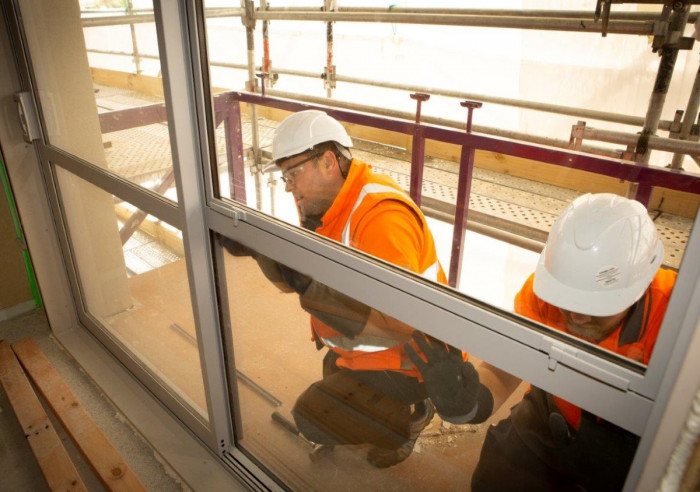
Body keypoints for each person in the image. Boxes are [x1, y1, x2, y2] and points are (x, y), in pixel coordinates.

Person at [223, 109, 472, 468]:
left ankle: (412, 415)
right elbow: (298, 287)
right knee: (334, 381)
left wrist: (309, 286)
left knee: (312, 416)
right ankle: (376, 406)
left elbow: (397, 323)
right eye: (284, 177)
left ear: (327, 161)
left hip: (417, 361)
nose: (289, 186)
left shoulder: (380, 217)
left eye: (293, 173)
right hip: (369, 346)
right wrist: (262, 253)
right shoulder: (325, 206)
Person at [405, 192, 676, 490]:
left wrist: (639, 461)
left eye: (594, 306)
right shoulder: (543, 296)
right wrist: (470, 402)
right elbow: (510, 365)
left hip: (636, 441)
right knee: (495, 479)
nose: (576, 316)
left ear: (640, 286)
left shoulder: (678, 322)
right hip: (553, 411)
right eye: (566, 300)